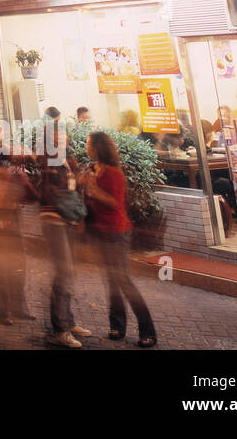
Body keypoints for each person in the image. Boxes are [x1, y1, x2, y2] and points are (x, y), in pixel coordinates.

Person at [83, 130, 157, 348]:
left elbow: (114, 202)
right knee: (112, 282)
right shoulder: (94, 169)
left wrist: (92, 188)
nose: (87, 147)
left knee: (123, 281)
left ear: (98, 147)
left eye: (89, 144)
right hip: (101, 231)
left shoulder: (113, 173)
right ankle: (117, 326)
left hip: (116, 232)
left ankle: (148, 330)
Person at [36, 149, 89, 348]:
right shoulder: (51, 163)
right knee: (63, 273)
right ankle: (60, 329)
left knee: (68, 273)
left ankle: (68, 322)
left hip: (68, 222)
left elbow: (71, 190)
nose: (61, 136)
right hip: (55, 222)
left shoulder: (68, 161)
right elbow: (54, 193)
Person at [0, 152, 36, 325]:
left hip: (13, 220)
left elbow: (25, 197)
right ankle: (1, 312)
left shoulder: (12, 174)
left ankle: (18, 308)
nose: (5, 169)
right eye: (2, 165)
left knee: (18, 265)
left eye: (7, 165)